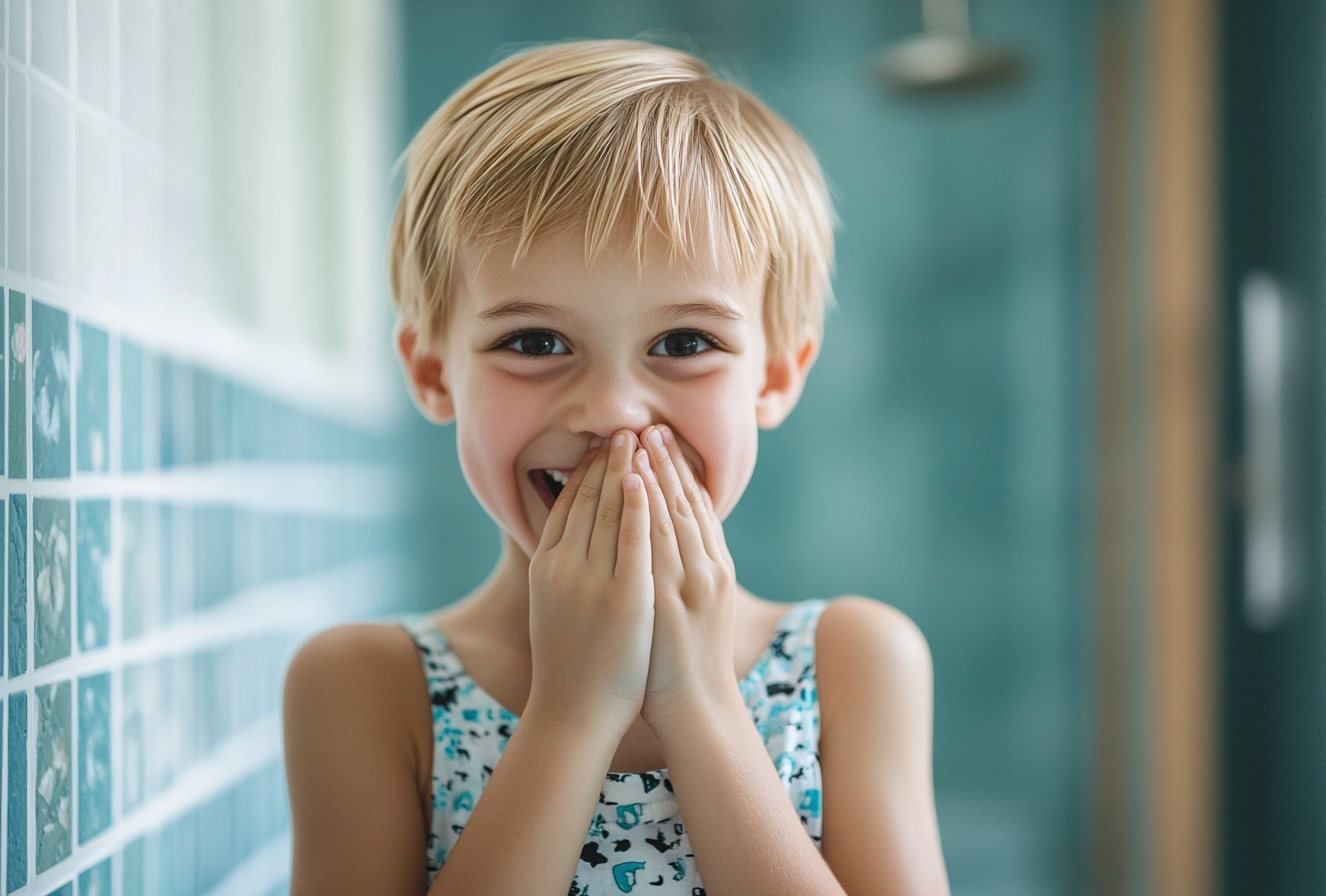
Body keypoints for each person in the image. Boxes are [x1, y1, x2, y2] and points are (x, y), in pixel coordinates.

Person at [283, 39, 949, 896]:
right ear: (431, 370)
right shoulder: (368, 687)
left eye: (683, 344)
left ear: (776, 375)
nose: (611, 412)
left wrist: (702, 701)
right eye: (534, 343)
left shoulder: (855, 663)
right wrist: (570, 713)